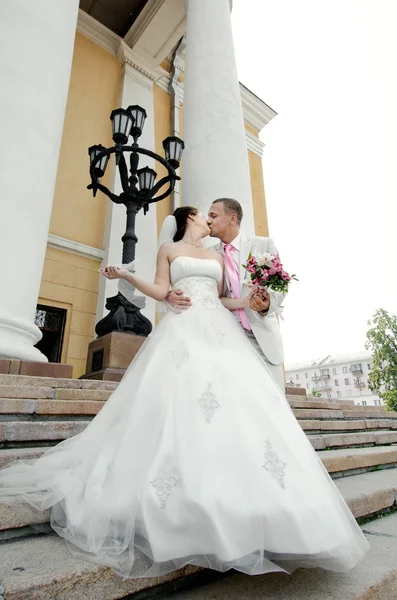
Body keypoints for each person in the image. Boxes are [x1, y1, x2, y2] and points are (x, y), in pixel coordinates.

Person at [0, 206, 369, 579]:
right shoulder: (169, 250)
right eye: (201, 213)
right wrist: (131, 276)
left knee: (236, 412)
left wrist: (248, 302)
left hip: (219, 334)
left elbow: (223, 298)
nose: (207, 218)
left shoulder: (215, 255)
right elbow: (162, 289)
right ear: (187, 219)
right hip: (182, 334)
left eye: (212, 213)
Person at [166, 198, 286, 390]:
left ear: (232, 218)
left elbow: (280, 285)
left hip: (262, 335)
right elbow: (201, 289)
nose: (209, 220)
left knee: (274, 400)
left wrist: (267, 303)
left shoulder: (263, 246)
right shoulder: (208, 255)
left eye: (214, 215)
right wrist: (169, 294)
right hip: (225, 338)